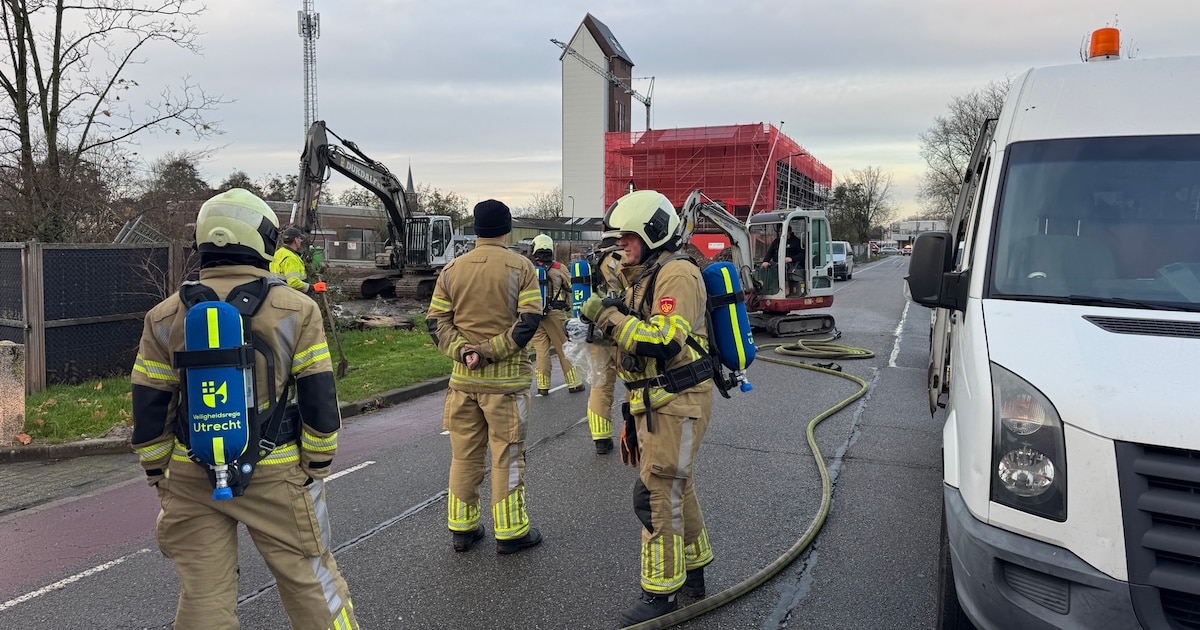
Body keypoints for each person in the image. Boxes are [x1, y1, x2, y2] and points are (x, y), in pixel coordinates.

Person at [130, 188, 358, 630]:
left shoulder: (163, 315)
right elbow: (318, 397)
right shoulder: (296, 309)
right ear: (264, 239)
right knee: (310, 581)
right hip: (276, 470)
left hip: (191, 473)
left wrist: (159, 472)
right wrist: (316, 463)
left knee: (203, 599)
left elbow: (150, 403)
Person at [580, 190, 716, 625]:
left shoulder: (677, 274)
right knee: (677, 486)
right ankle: (694, 570)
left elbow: (664, 340)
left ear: (654, 234)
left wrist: (607, 318)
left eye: (629, 238)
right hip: (657, 399)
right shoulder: (646, 274)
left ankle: (660, 593)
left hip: (677, 400)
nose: (622, 247)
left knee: (657, 493)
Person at [426, 199, 546, 554]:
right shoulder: (521, 267)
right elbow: (529, 321)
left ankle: (462, 528)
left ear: (476, 230)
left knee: (464, 456)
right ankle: (511, 532)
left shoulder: (451, 270)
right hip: (505, 388)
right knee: (507, 457)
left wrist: (465, 351)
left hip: (463, 384)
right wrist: (490, 350)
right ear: (507, 229)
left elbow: (436, 322)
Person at [583, 234, 631, 455]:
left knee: (600, 383)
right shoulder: (620, 258)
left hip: (596, 329)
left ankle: (600, 438)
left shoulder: (592, 258)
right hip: (620, 327)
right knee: (634, 380)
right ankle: (632, 431)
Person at [529, 234, 585, 396]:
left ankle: (543, 386)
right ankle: (574, 383)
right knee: (564, 348)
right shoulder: (559, 268)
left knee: (541, 352)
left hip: (535, 314)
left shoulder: (529, 268)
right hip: (555, 314)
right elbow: (571, 287)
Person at [760, 223, 805, 295]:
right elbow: (769, 253)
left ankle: (785, 286)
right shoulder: (776, 242)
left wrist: (791, 258)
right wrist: (765, 261)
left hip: (792, 265)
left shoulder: (796, 242)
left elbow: (802, 255)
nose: (781, 233)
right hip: (777, 264)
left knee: (784, 267)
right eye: (780, 231)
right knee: (767, 267)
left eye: (782, 231)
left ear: (789, 232)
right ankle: (767, 287)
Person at [270, 226, 315, 294]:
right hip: (290, 294)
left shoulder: (278, 253)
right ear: (296, 240)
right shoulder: (291, 257)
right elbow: (293, 283)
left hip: (277, 292)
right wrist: (312, 287)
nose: (300, 241)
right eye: (300, 239)